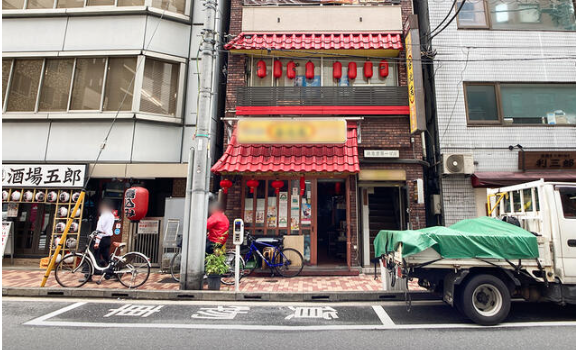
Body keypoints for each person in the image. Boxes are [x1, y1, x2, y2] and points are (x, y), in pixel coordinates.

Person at [93, 198, 115, 268]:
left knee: (95, 256)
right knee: (106, 256)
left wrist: (97, 242)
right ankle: (111, 271)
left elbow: (99, 229)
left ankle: (90, 273)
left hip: (102, 238)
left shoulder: (104, 215)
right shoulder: (112, 216)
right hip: (107, 238)